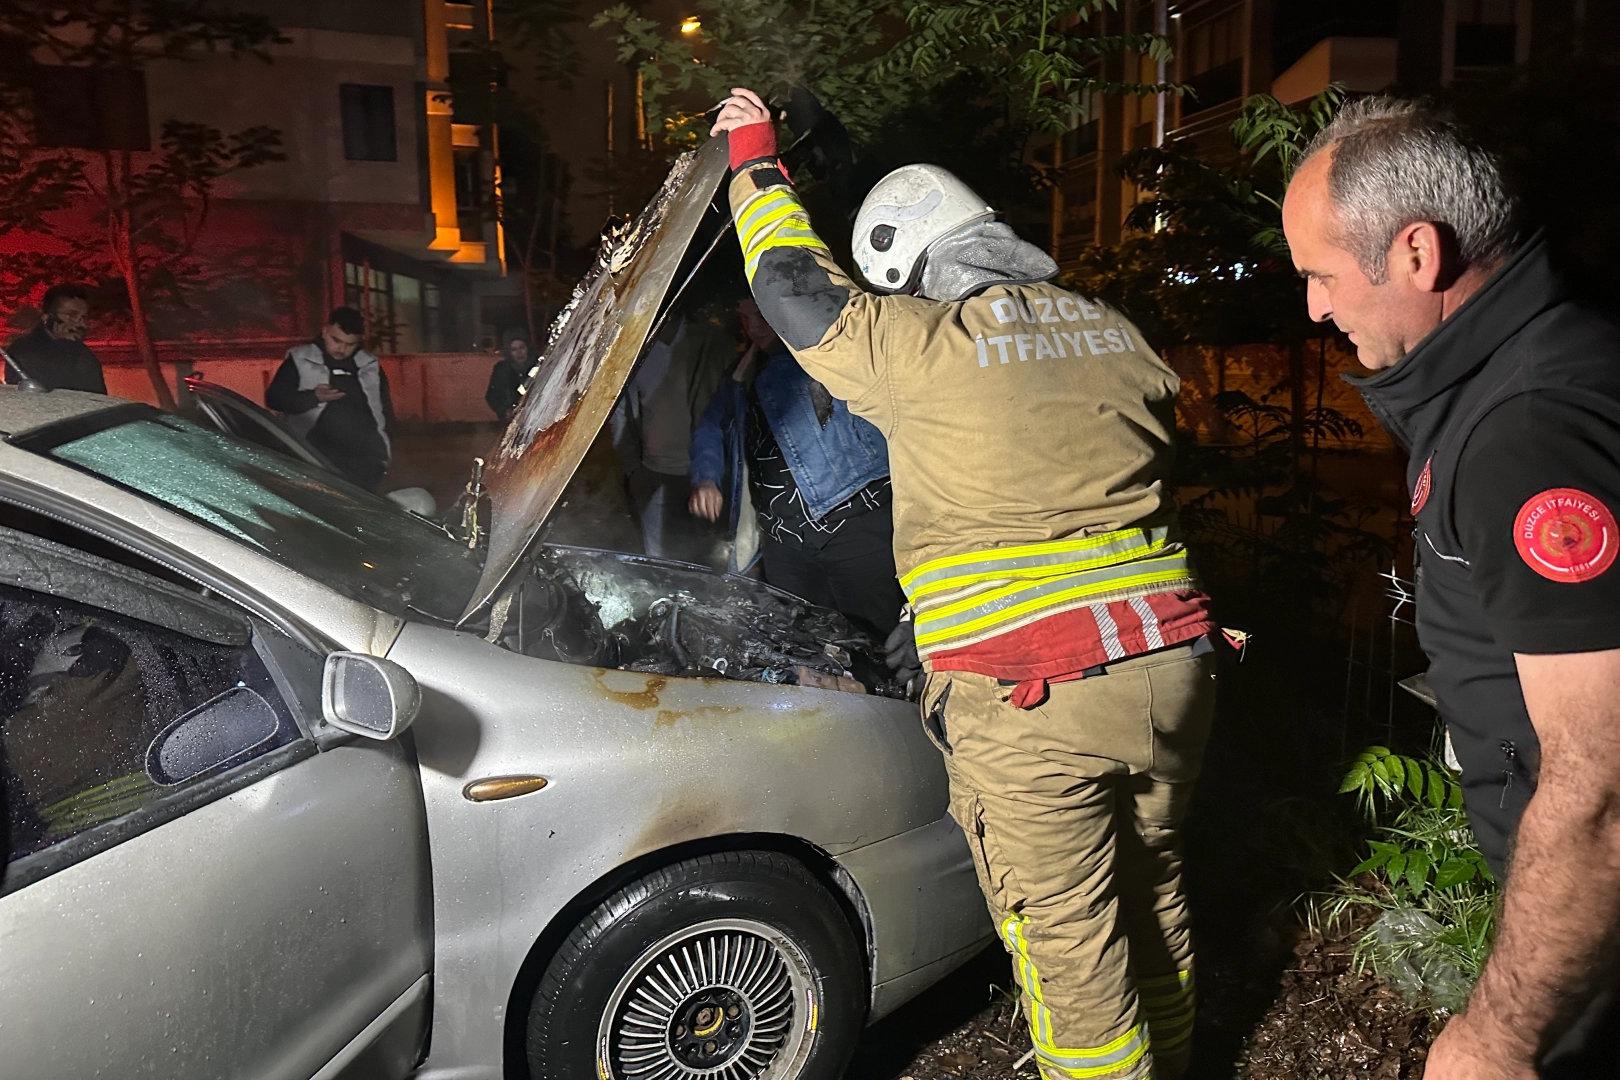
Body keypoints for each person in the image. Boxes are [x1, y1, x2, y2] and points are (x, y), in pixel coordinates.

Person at [711, 89, 1217, 1080]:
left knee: (1069, 949)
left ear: (909, 269)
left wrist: (754, 163)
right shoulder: (1116, 333)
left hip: (1037, 699)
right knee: (1152, 892)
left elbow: (793, 288)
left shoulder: (927, 347)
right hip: (1172, 674)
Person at [1282, 98, 1620, 1079]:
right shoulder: (1550, 357)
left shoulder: (1527, 430)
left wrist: (1499, 1037)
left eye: (1321, 275)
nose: (1314, 309)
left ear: (1418, 254)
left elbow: (1601, 792)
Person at [688, 295, 905, 639]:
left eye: (761, 314)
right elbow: (711, 425)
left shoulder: (826, 356)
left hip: (851, 524)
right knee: (806, 639)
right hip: (784, 540)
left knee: (876, 635)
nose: (753, 327)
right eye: (745, 318)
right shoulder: (743, 372)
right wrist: (706, 478)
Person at [610, 310, 733, 566]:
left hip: (706, 477)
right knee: (661, 562)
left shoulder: (709, 341)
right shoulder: (635, 349)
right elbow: (619, 410)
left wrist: (717, 473)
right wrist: (633, 468)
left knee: (712, 559)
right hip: (653, 474)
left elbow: (730, 403)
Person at [266, 307, 393, 491]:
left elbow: (385, 412)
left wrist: (382, 455)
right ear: (325, 331)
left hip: (364, 463)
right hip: (313, 458)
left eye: (350, 344)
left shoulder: (369, 364)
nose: (341, 349)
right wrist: (314, 397)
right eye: (336, 340)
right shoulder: (301, 359)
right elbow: (274, 399)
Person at [4, 284, 106, 393]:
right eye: (71, 316)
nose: (81, 324)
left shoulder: (85, 355)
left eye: (84, 317)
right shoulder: (23, 351)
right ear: (46, 317)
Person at [485, 327, 531, 421]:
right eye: (514, 349)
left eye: (522, 347)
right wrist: (504, 410)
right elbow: (492, 396)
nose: (519, 353)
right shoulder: (502, 370)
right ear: (509, 352)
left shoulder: (538, 365)